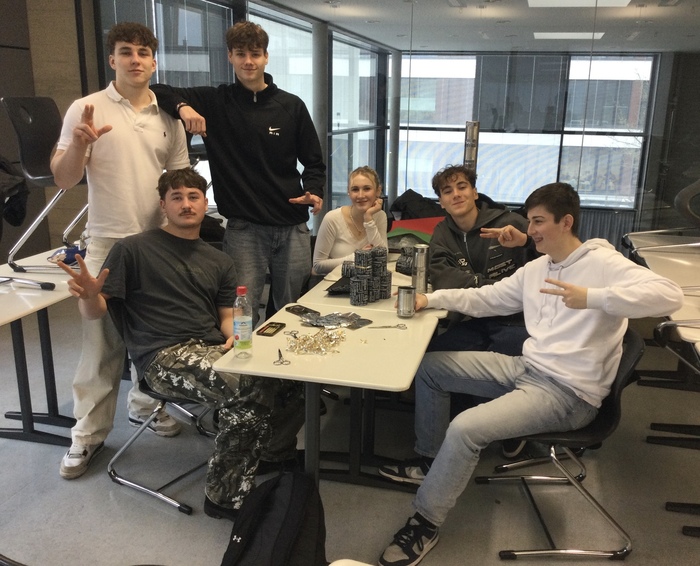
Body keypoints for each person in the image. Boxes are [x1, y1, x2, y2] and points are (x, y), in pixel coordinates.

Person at [376, 182, 684, 566]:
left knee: (466, 428)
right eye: (530, 221)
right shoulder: (538, 267)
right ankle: (430, 462)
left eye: (539, 221)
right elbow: (485, 299)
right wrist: (431, 298)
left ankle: (424, 522)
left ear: (566, 222)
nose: (531, 229)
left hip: (568, 394)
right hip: (529, 369)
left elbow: (670, 295)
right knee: (429, 369)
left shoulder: (603, 263)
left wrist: (592, 297)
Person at [58, 168, 304, 519]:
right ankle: (223, 498)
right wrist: (88, 296)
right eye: (177, 198)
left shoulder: (219, 260)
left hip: (210, 348)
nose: (186, 204)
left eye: (193, 197)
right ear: (163, 205)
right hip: (162, 357)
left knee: (293, 376)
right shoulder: (132, 249)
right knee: (249, 386)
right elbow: (97, 311)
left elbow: (226, 315)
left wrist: (235, 336)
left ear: (204, 203)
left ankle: (272, 454)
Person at [50, 22, 191, 479]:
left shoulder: (167, 116)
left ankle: (145, 405)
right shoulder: (86, 108)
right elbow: (64, 177)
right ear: (112, 59)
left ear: (154, 62)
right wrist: (79, 144)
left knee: (154, 335)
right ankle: (87, 436)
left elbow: (178, 182)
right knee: (101, 346)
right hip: (107, 243)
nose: (135, 59)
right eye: (126, 52)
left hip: (155, 242)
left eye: (143, 52)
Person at [151, 21, 326, 327]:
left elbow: (313, 161)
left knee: (290, 309)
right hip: (245, 230)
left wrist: (314, 190)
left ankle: (282, 359)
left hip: (292, 225)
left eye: (255, 54)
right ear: (230, 56)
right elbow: (158, 90)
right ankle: (246, 360)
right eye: (241, 54)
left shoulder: (291, 106)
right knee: (241, 313)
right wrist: (183, 108)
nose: (248, 61)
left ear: (266, 57)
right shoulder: (214, 101)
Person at [427, 164, 535, 356]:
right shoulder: (442, 233)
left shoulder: (510, 223)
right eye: (448, 191)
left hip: (517, 319)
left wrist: (527, 241)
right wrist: (494, 289)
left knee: (508, 364)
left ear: (475, 193)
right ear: (441, 202)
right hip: (474, 320)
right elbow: (443, 280)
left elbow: (553, 258)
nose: (456, 194)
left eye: (462, 187)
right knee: (428, 356)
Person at [312, 165, 388, 276]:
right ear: (349, 192)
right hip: (332, 282)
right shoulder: (332, 218)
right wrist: (358, 256)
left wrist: (368, 218)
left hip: (363, 281)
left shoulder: (380, 216)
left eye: (367, 189)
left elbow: (382, 257)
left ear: (378, 191)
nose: (360, 195)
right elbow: (318, 265)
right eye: (355, 189)